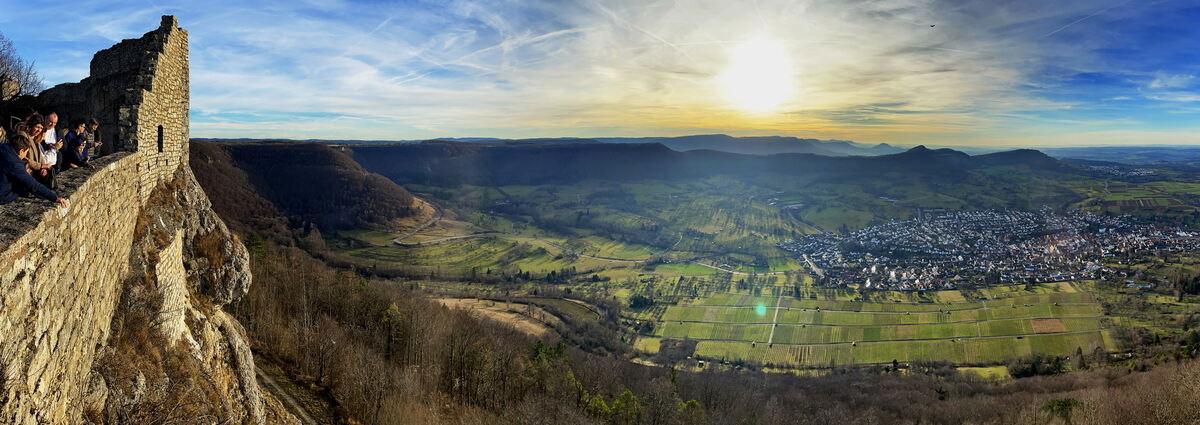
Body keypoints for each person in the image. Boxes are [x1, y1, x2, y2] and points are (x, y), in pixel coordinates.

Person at [1, 138, 68, 207]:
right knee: (24, 185)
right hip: (2, 196)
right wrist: (55, 198)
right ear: (21, 151)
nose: (25, 156)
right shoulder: (14, 163)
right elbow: (33, 184)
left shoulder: (3, 147)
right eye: (26, 152)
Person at [39, 112, 62, 189]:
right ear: (45, 118)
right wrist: (53, 147)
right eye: (51, 122)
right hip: (42, 168)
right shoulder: (41, 130)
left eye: (55, 123)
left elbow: (64, 146)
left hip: (52, 167)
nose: (52, 125)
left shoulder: (57, 130)